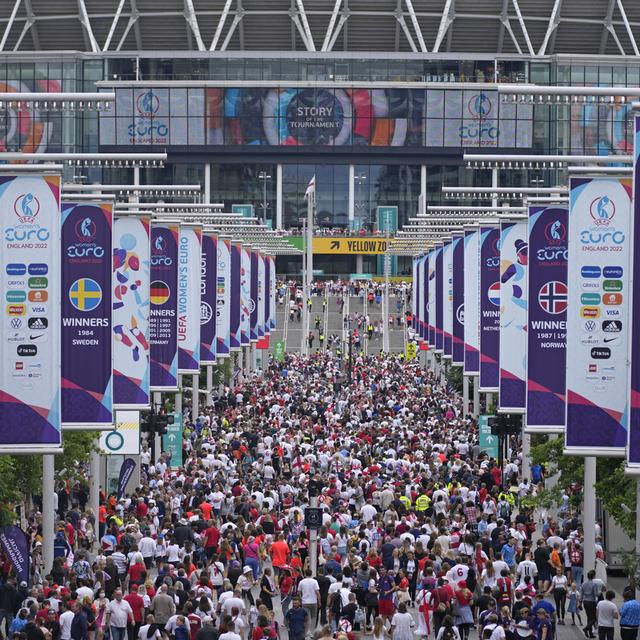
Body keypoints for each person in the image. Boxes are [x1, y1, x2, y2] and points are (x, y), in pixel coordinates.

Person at [581, 570, 600, 638]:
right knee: (594, 618)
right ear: (593, 576)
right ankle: (586, 628)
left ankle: (590, 634)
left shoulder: (583, 583)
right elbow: (596, 594)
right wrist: (599, 592)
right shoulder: (594, 584)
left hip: (585, 601)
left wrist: (580, 603)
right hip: (591, 602)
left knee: (589, 617)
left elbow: (581, 594)